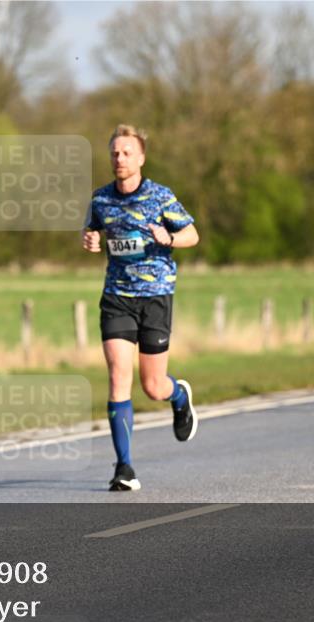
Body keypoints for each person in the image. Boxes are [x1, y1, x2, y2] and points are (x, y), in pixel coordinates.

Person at [82, 124, 200, 492]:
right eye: (115, 153)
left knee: (152, 386)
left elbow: (192, 234)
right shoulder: (101, 199)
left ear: (141, 158)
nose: (119, 158)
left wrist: (171, 237)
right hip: (117, 296)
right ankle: (124, 467)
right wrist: (90, 239)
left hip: (155, 296)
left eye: (127, 152)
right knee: (119, 375)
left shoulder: (161, 197)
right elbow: (94, 230)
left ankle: (179, 396)